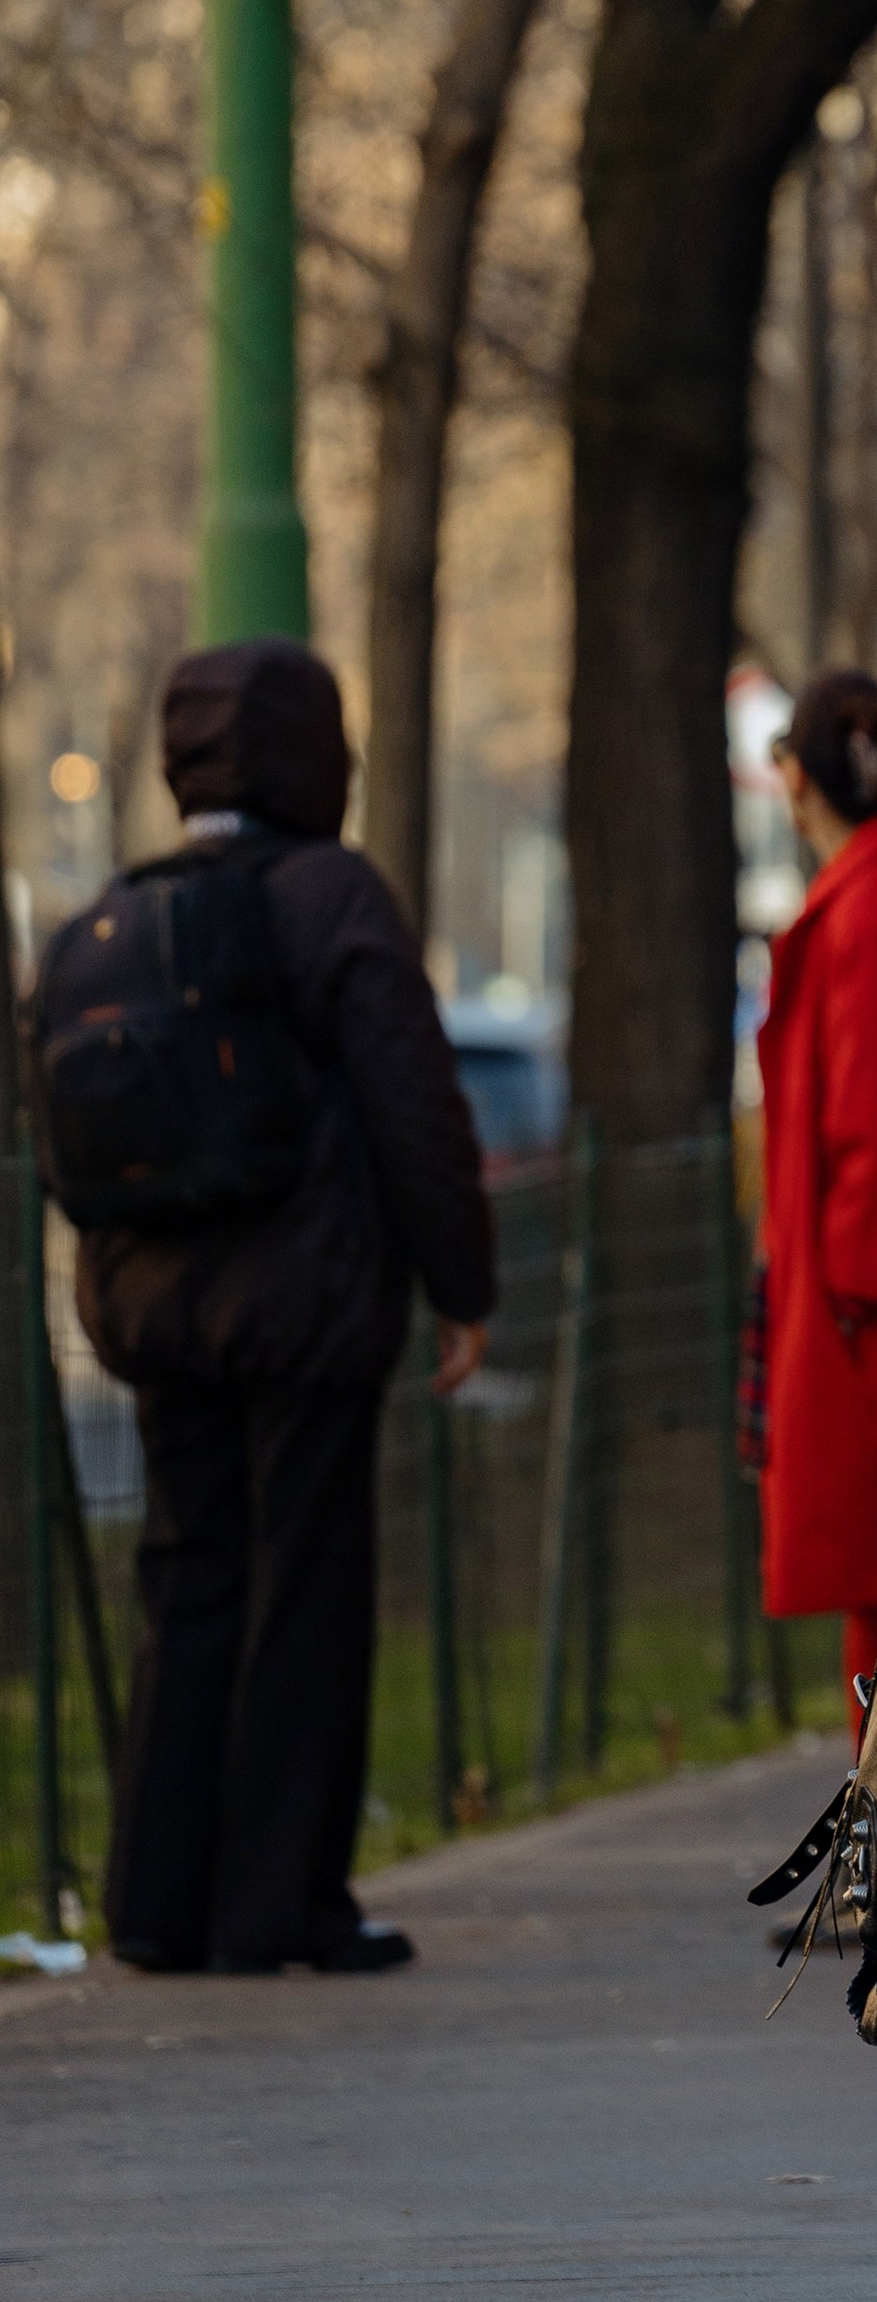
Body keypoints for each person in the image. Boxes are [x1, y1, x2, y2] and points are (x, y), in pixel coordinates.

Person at [80, 643, 494, 1974]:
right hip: (306, 1309)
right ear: (316, 757)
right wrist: (459, 1286)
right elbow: (413, 1104)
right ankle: (281, 1905)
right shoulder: (335, 897)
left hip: (157, 1313)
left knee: (185, 1582)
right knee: (302, 1597)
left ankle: (154, 1905)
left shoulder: (125, 909)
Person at [756, 669, 877, 1729]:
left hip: (870, 1332)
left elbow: (876, 1146)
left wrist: (841, 1295)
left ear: (797, 777)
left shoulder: (863, 915)